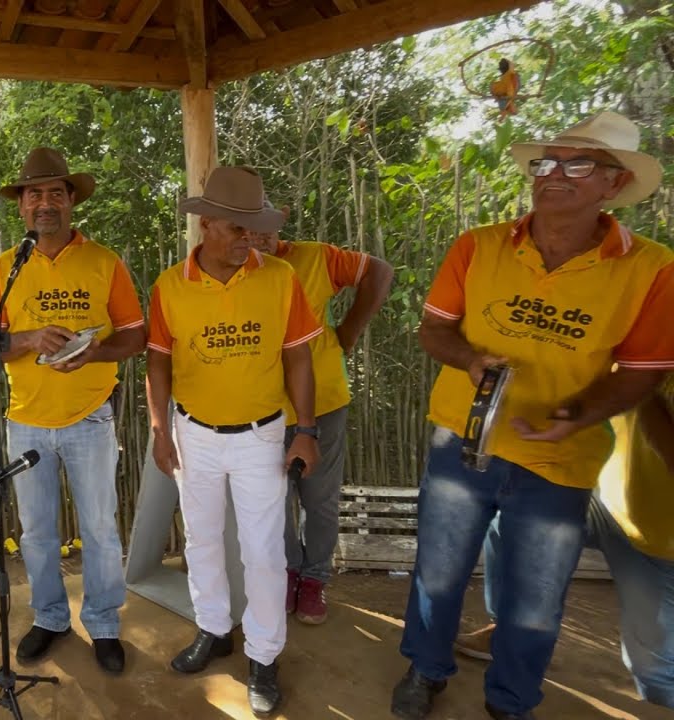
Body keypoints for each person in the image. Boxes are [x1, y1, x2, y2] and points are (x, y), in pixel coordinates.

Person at [393, 110, 674, 720]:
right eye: (546, 162)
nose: (554, 175)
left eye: (579, 165)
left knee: (537, 597)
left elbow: (647, 370)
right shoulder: (479, 245)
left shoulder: (651, 269)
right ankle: (426, 669)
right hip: (463, 438)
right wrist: (469, 358)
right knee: (438, 570)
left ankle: (512, 700)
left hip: (560, 456)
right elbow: (435, 330)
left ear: (615, 184)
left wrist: (575, 414)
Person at [146, 166, 321, 717]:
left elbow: (298, 355)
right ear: (207, 225)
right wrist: (159, 428)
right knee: (200, 541)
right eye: (238, 229)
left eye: (255, 230)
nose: (250, 240)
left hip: (260, 435)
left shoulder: (279, 279)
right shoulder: (170, 287)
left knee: (264, 550)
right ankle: (214, 629)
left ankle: (264, 656)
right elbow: (157, 362)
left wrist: (307, 430)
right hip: (193, 431)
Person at [0, 147, 145, 674]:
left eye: (55, 193)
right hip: (26, 419)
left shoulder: (104, 262)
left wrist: (95, 350)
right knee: (36, 530)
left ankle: (102, 623)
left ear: (72, 200)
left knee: (99, 527)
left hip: (90, 417)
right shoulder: (5, 268)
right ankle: (49, 617)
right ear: (22, 206)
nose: (44, 203)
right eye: (34, 194)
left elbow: (137, 334)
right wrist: (27, 337)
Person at [456, 372, 674, 710]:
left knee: (657, 674)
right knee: (508, 525)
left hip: (659, 539)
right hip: (598, 499)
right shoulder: (642, 340)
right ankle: (505, 629)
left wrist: (640, 383)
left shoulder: (645, 366)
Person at [243, 202, 393, 625]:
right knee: (275, 499)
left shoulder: (316, 257)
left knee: (319, 498)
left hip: (322, 399)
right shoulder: (236, 270)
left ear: (280, 224)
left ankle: (315, 578)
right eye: (249, 229)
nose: (258, 237)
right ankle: (289, 571)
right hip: (263, 405)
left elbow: (379, 271)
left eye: (266, 227)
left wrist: (348, 331)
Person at [490, 58, 520, 122]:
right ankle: (506, 63)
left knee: (494, 86)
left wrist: (501, 118)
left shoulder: (504, 105)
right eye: (514, 110)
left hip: (504, 91)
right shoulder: (510, 99)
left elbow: (503, 113)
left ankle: (505, 63)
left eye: (512, 111)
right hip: (506, 89)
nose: (513, 110)